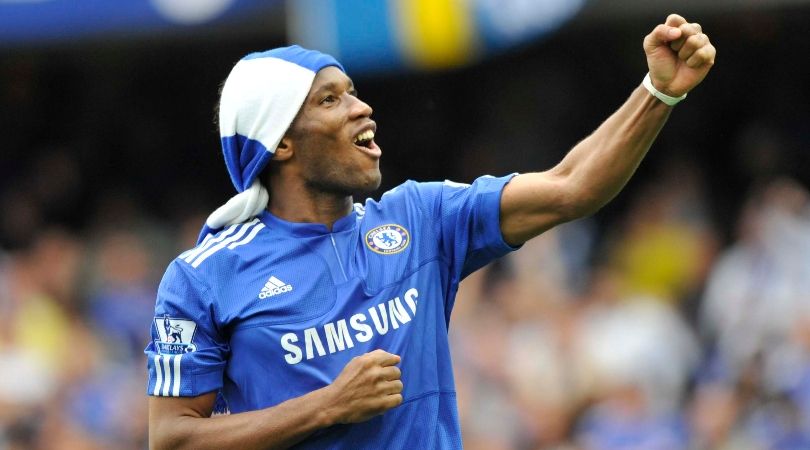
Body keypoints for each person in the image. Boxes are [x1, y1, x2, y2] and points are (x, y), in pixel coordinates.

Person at [146, 13, 716, 450]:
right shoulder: (203, 276)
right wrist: (328, 405)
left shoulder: (421, 217)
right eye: (330, 100)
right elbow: (171, 437)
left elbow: (573, 186)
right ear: (281, 144)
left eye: (351, 91)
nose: (361, 108)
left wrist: (658, 92)